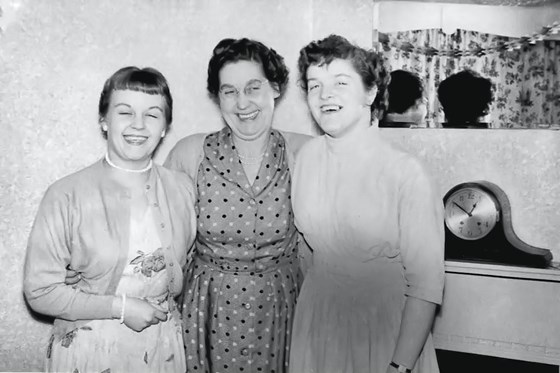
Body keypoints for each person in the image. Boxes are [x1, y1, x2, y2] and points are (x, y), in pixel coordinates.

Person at [23, 66, 197, 373]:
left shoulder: (182, 188)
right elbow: (40, 292)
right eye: (125, 112)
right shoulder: (66, 195)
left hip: (161, 350)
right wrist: (121, 307)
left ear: (165, 127)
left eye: (153, 114)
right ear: (104, 120)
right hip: (90, 351)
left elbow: (188, 266)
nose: (138, 125)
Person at [289, 34, 445, 373]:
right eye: (314, 86)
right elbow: (305, 251)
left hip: (382, 329)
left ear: (370, 92)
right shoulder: (306, 158)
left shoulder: (406, 172)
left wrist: (399, 365)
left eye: (340, 83)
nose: (325, 95)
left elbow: (426, 285)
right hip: (318, 323)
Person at [164, 38, 311, 372]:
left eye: (253, 87)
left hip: (281, 311)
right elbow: (169, 246)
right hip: (207, 312)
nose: (242, 102)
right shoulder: (190, 155)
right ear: (218, 98)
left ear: (275, 88)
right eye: (229, 91)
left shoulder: (304, 154)